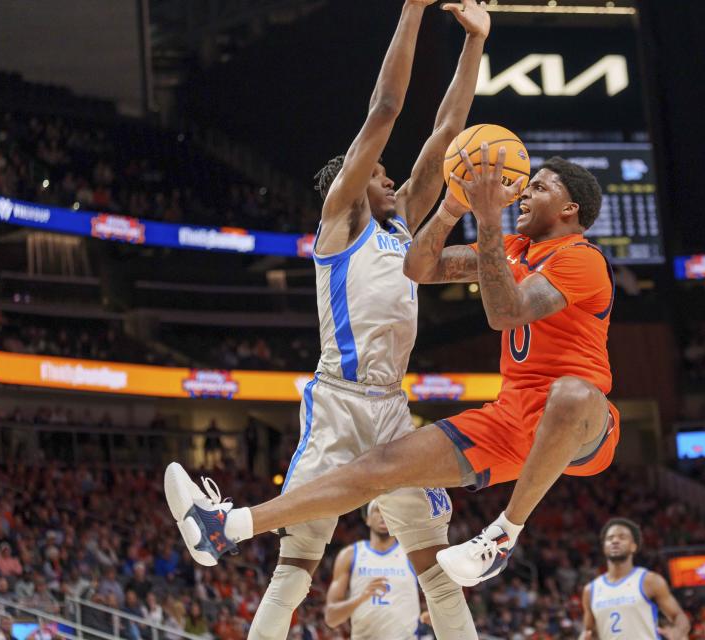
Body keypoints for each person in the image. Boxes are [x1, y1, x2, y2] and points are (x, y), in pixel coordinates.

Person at [166, 1, 490, 639]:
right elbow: (386, 111)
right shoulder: (341, 220)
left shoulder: (399, 222)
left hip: (393, 405)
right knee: (297, 563)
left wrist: (475, 42)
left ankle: (222, 525)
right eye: (380, 172)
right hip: (338, 401)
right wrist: (415, 10)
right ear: (350, 180)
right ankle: (224, 532)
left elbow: (446, 134)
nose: (391, 176)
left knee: (435, 566)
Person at [165, 149, 620, 588]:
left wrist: (485, 220)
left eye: (538, 188)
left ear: (568, 208)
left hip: (582, 428)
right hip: (510, 419)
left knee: (571, 393)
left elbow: (506, 313)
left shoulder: (583, 258)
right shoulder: (510, 249)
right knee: (380, 464)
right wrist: (449, 210)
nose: (524, 193)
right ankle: (228, 526)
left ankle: (503, 535)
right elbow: (418, 268)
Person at [325, 501, 428, 639]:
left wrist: (431, 615)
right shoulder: (349, 555)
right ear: (367, 519)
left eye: (388, 510)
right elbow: (331, 618)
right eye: (377, 510)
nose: (383, 515)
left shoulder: (412, 554)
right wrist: (361, 597)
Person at [580, 518, 690, 639]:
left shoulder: (650, 581)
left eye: (622, 537)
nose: (615, 541)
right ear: (604, 547)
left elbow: (679, 616)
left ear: (633, 547)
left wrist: (677, 632)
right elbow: (590, 632)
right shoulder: (590, 591)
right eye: (610, 538)